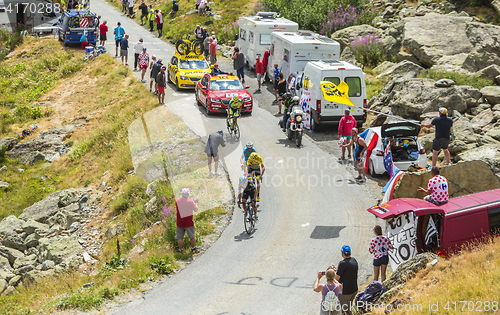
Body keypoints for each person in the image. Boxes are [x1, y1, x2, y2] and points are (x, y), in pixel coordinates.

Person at [334, 245, 358, 315]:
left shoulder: (342, 263)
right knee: (348, 309)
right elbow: (347, 271)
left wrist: (333, 272)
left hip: (345, 292)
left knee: (341, 311)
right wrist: (338, 270)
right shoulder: (354, 260)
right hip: (354, 290)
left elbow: (336, 278)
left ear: (342, 253)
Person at [175, 188, 200, 253]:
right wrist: (196, 202)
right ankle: (193, 248)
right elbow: (196, 209)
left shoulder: (177, 200)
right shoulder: (190, 202)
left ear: (182, 194)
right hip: (188, 222)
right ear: (187, 194)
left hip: (180, 222)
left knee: (180, 238)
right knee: (192, 236)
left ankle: (180, 250)